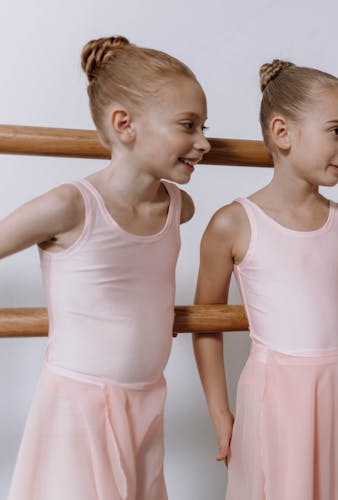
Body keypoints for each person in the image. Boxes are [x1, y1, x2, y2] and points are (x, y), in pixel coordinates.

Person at [3, 36, 209, 499]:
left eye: (203, 126)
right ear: (124, 124)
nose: (204, 141)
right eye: (188, 125)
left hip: (146, 399)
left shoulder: (179, 206)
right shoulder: (71, 206)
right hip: (78, 407)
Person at [193, 60, 338, 500]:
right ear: (283, 133)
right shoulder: (233, 224)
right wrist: (220, 413)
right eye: (336, 131)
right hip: (279, 394)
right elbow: (205, 325)